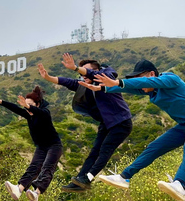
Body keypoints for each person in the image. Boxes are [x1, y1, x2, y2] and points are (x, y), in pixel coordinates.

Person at [80, 59, 185, 201]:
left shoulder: (170, 79)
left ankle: (180, 185)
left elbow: (145, 83)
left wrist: (117, 82)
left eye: (139, 77)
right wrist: (104, 88)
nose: (138, 83)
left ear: (152, 74)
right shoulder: (152, 92)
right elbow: (132, 88)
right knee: (154, 147)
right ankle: (124, 177)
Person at [38, 53, 132, 192]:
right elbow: (68, 82)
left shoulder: (107, 75)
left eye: (85, 72)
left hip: (121, 121)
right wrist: (48, 77)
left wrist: (76, 68)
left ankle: (87, 179)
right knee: (94, 152)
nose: (84, 76)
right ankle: (80, 181)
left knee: (105, 150)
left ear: (96, 70)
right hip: (106, 123)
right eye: (82, 74)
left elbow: (94, 75)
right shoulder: (84, 83)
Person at [0, 86, 62, 201]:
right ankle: (19, 189)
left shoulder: (45, 113)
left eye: (30, 105)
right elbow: (15, 109)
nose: (26, 108)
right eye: (25, 105)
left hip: (54, 146)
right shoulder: (29, 115)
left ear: (37, 104)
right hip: (41, 146)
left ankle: (36, 193)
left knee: (47, 168)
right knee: (34, 167)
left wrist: (28, 106)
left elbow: (41, 112)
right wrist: (0, 101)